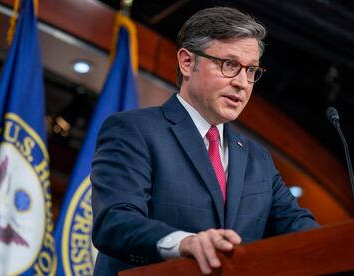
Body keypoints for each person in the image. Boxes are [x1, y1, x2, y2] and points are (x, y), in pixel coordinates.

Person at [91, 6, 319, 275]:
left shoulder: (257, 159)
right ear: (187, 62)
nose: (243, 83)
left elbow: (299, 228)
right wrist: (185, 243)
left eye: (251, 71)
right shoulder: (134, 130)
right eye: (230, 65)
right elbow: (115, 221)